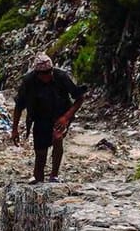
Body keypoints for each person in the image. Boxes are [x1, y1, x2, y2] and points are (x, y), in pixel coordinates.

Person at [11, 54, 88, 184]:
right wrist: (14, 129)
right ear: (37, 74)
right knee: (40, 152)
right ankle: (38, 178)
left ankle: (54, 175)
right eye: (44, 74)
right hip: (39, 118)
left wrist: (66, 117)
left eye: (49, 72)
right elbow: (19, 106)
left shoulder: (61, 77)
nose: (48, 75)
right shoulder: (29, 82)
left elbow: (79, 98)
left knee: (57, 137)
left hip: (60, 115)